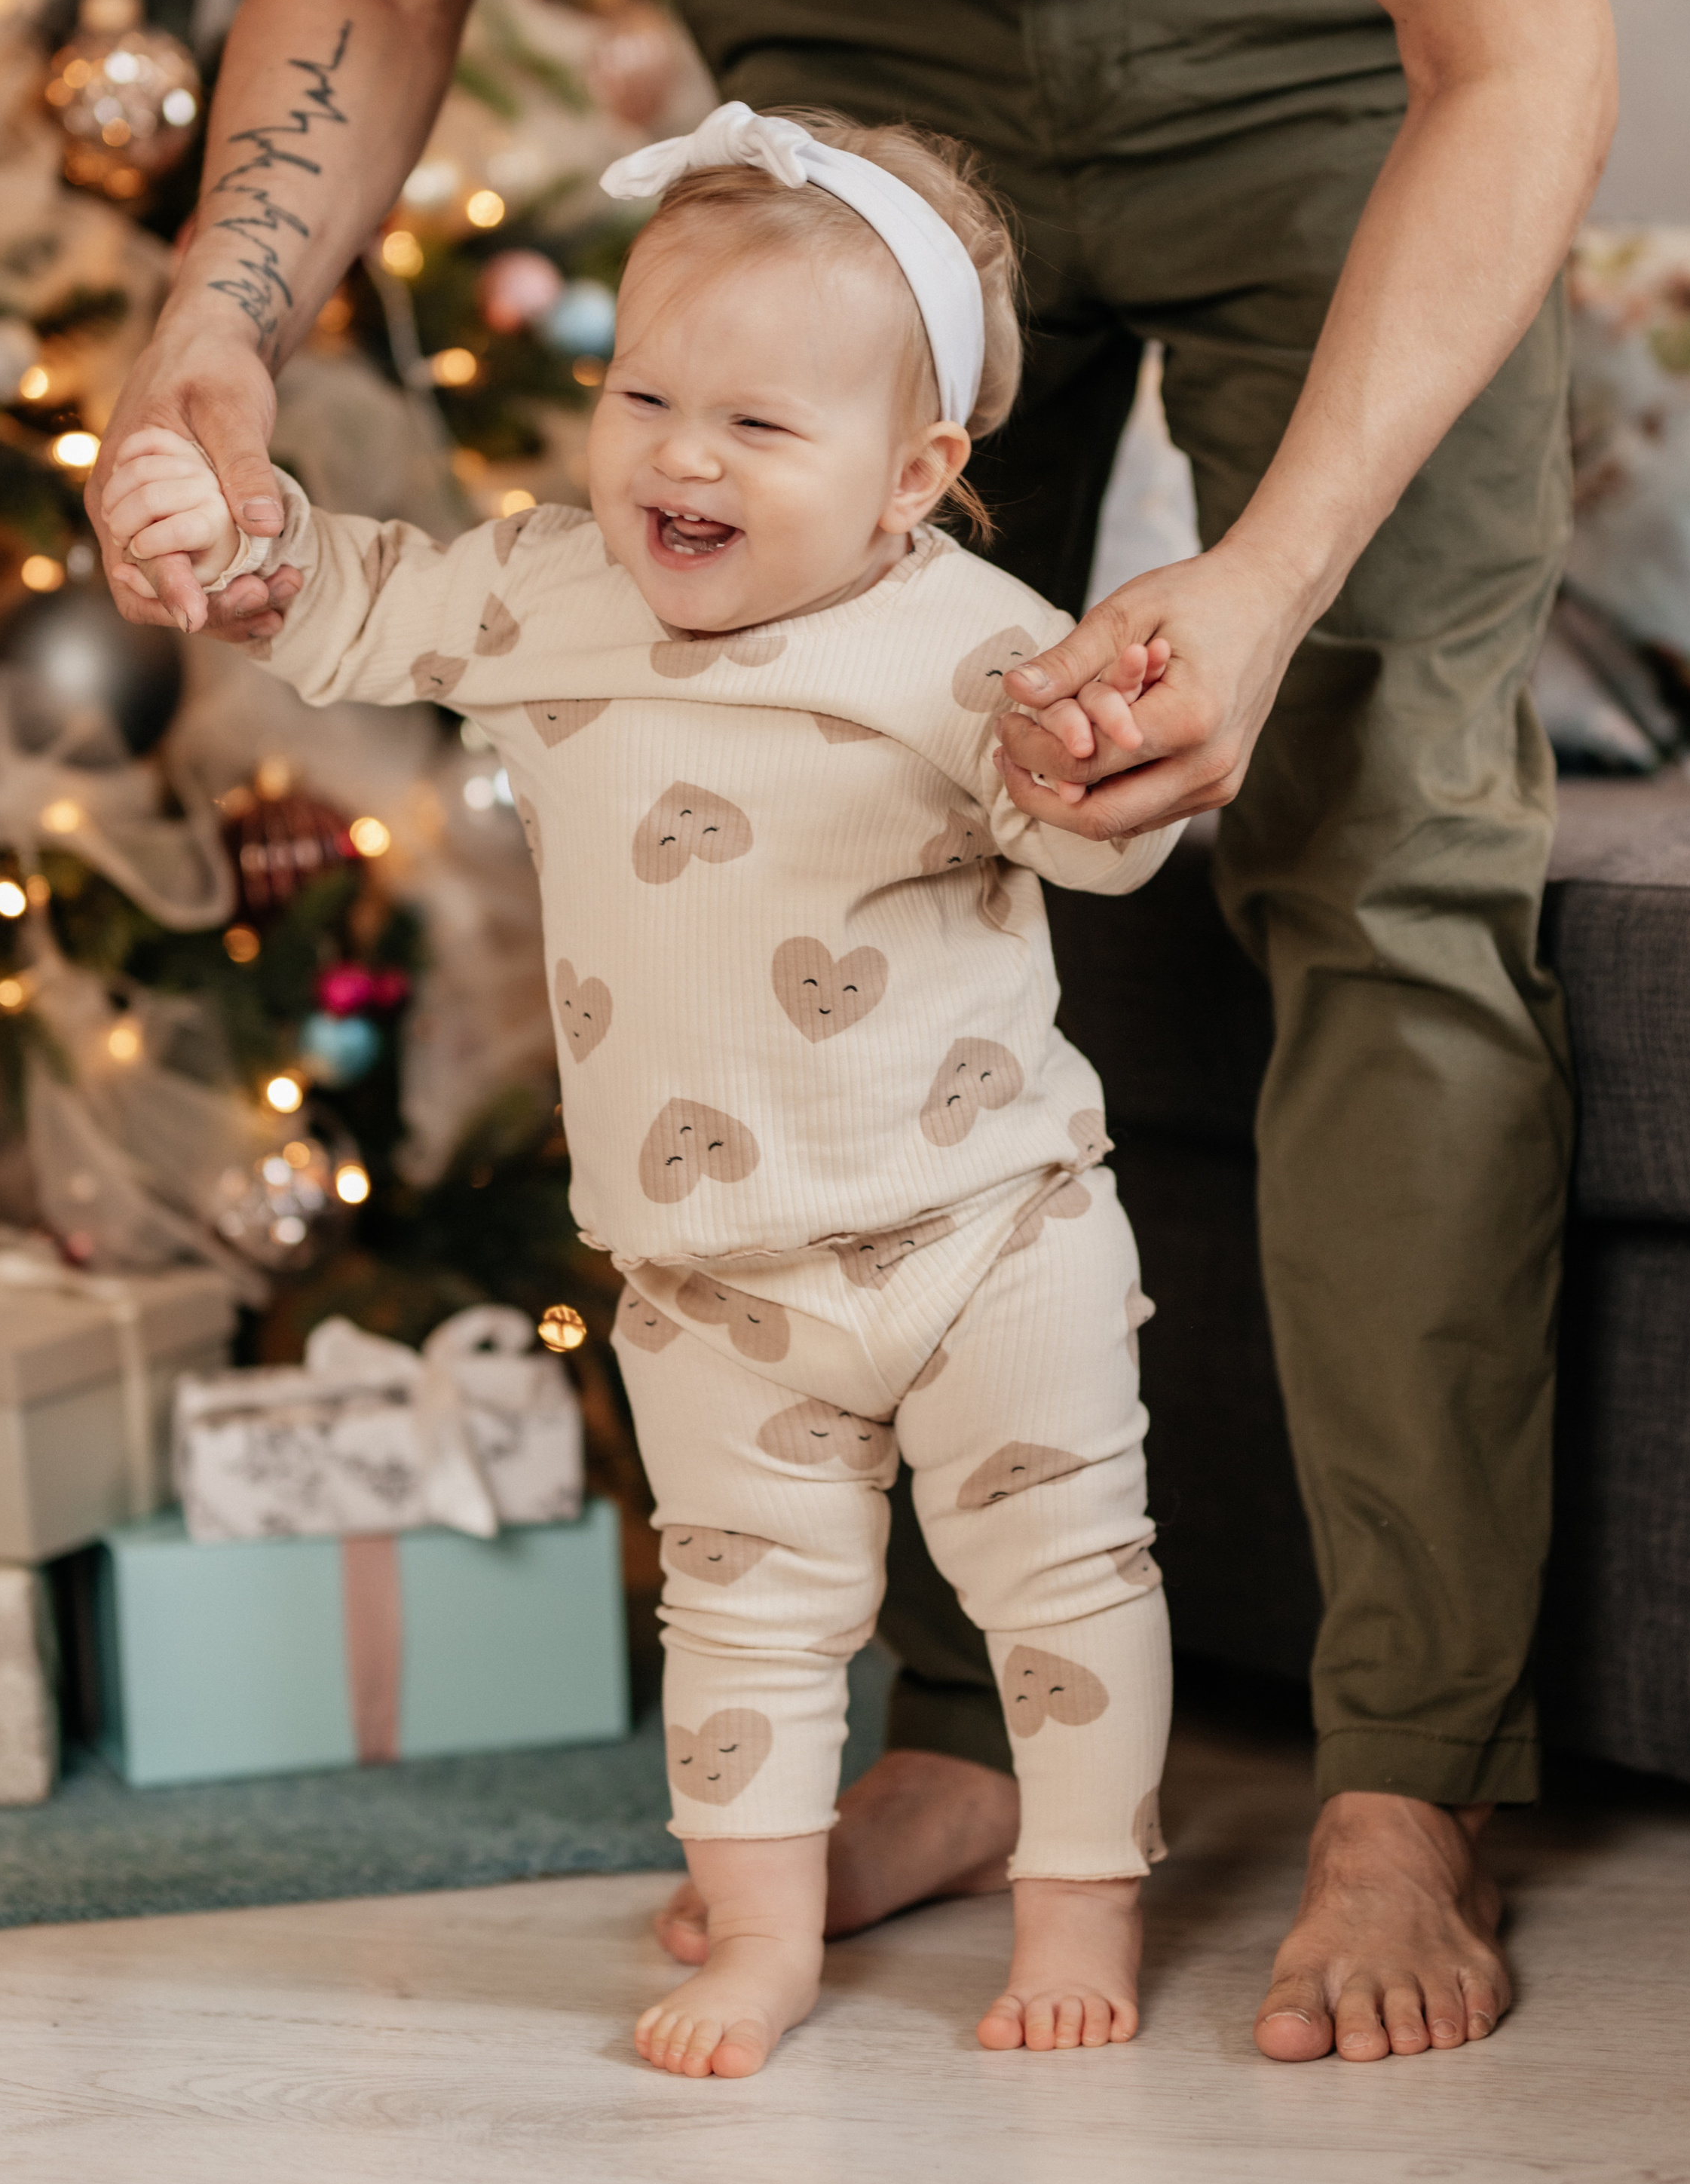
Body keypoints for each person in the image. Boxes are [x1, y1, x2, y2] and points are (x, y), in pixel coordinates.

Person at [87, 0, 1617, 2066]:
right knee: (839, 779)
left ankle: (1408, 1777)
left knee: (1383, 852)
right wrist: (224, 308)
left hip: (1327, 23)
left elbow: (1519, 42)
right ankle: (919, 1746)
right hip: (863, 51)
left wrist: (1254, 599)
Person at [102, 102, 1183, 2075]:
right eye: (646, 394)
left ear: (912, 476)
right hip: (706, 1272)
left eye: (761, 430)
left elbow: (1111, 840)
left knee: (1065, 1577)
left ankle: (1080, 1903)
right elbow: (346, 601)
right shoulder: (552, 598)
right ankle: (766, 1940)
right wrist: (224, 541)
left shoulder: (975, 644)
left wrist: (1085, 755)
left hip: (986, 1230)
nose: (680, 455)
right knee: (744, 1615)